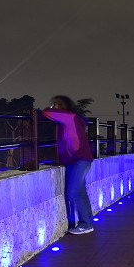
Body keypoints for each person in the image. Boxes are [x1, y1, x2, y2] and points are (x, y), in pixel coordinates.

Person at [42, 96, 94, 234]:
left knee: (73, 192)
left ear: (63, 106)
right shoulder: (72, 117)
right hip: (76, 160)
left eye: (56, 104)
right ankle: (88, 221)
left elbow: (46, 113)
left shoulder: (69, 116)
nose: (54, 106)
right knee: (81, 192)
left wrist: (51, 108)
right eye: (53, 104)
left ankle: (85, 224)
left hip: (79, 159)